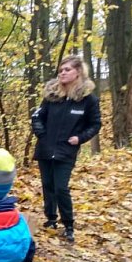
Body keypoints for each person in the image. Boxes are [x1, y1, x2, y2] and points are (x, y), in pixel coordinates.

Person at [31, 55, 101, 243]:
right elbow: (37, 117)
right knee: (48, 186)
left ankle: (68, 224)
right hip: (46, 148)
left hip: (66, 151)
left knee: (61, 187)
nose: (62, 73)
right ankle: (51, 219)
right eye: (61, 70)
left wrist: (80, 138)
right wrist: (42, 135)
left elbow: (95, 124)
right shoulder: (52, 96)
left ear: (78, 72)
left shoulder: (88, 100)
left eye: (67, 70)